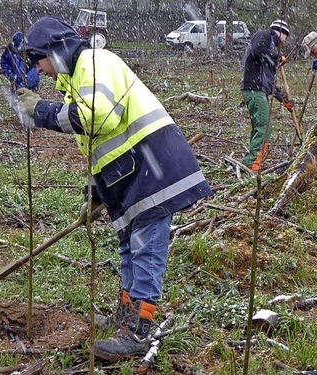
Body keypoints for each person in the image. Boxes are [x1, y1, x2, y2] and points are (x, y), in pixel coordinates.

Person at [16, 17, 212, 362]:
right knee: (129, 244)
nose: (38, 69)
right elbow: (95, 142)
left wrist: (43, 112)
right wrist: (95, 192)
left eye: (38, 59)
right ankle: (126, 310)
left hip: (153, 167)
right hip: (129, 172)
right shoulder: (76, 78)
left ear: (54, 50)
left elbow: (97, 117)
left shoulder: (94, 63)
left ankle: (140, 329)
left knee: (146, 247)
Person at [240, 19, 294, 172]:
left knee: (260, 126)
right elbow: (258, 49)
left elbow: (269, 84)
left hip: (258, 90)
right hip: (253, 89)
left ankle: (251, 161)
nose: (284, 42)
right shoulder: (264, 35)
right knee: (264, 126)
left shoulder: (270, 58)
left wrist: (283, 99)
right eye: (285, 37)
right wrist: (276, 57)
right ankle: (252, 164)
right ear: (280, 32)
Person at [0, 32, 40, 120]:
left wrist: (23, 85)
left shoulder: (31, 54)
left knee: (30, 103)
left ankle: (30, 122)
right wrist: (9, 74)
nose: (17, 49)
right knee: (15, 103)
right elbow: (4, 64)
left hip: (29, 84)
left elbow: (35, 71)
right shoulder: (9, 52)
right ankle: (21, 120)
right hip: (15, 82)